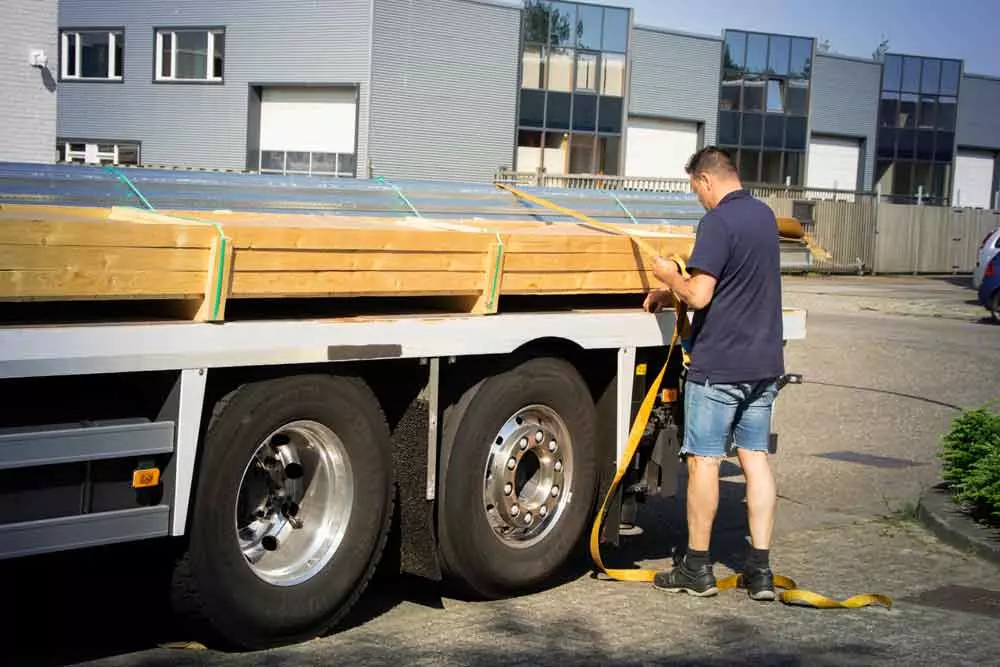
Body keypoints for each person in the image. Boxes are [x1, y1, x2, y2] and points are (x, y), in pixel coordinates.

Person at [643, 146, 785, 601]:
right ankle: (759, 570)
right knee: (755, 459)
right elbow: (735, 283)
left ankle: (697, 567)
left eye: (696, 191)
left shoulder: (717, 222)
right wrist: (677, 295)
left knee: (704, 461)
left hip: (720, 365)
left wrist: (669, 277)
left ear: (707, 180)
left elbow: (703, 295)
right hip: (763, 364)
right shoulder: (765, 217)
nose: (698, 200)